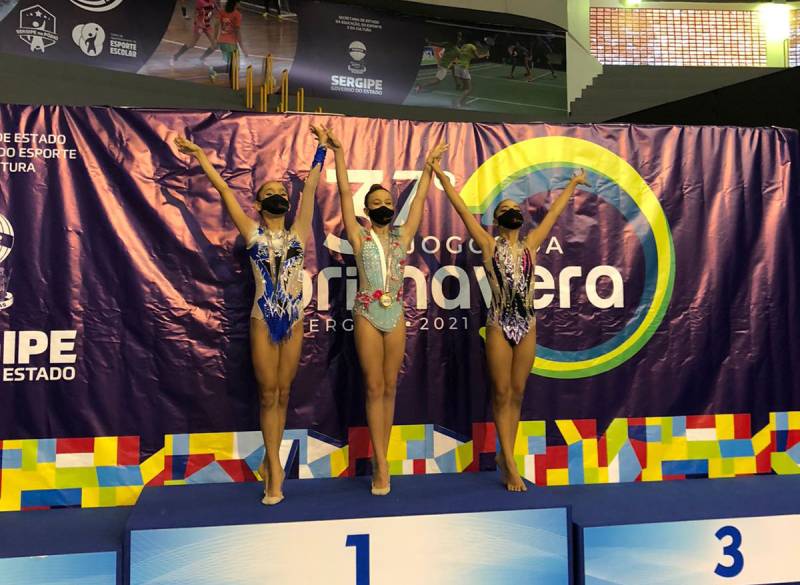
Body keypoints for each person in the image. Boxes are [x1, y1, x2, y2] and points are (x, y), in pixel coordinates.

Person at [173, 124, 329, 505]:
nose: (278, 197)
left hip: (293, 319)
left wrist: (322, 148)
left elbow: (310, 188)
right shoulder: (253, 233)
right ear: (258, 205)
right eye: (269, 194)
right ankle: (273, 466)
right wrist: (200, 156)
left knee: (284, 392)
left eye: (281, 194)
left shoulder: (298, 233)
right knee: (267, 393)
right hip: (262, 319)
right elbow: (225, 192)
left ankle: (272, 461)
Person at [431, 151, 588, 491]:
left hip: (527, 323)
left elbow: (554, 214)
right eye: (505, 210)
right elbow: (462, 210)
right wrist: (441, 176)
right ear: (497, 220)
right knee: (501, 392)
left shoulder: (531, 245)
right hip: (499, 323)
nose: (512, 212)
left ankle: (506, 455)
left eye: (515, 209)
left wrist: (573, 184)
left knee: (517, 393)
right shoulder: (489, 245)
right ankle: (511, 463)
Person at [324, 127, 446, 495]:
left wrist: (429, 167)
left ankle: (384, 458)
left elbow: (420, 199)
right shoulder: (359, 234)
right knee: (373, 386)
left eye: (388, 201)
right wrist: (338, 153)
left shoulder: (401, 235)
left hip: (395, 315)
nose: (383, 206)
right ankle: (379, 461)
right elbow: (344, 193)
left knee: (390, 386)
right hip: (366, 311)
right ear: (367, 210)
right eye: (376, 202)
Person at [171, 0, 218, 67]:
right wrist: (197, 24)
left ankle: (202, 58)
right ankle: (175, 57)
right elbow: (195, 13)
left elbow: (215, 12)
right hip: (199, 25)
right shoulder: (200, 1)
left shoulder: (213, 1)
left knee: (215, 44)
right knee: (191, 44)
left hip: (207, 25)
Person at [209, 0, 247, 82]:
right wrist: (243, 48)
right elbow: (237, 31)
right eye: (239, 3)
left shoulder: (222, 12)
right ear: (235, 3)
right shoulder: (237, 14)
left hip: (222, 42)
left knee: (233, 66)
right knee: (235, 67)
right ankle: (213, 69)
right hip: (231, 44)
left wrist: (215, 40)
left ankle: (231, 81)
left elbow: (216, 25)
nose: (240, 5)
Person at [453, 42, 490, 108]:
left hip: (456, 66)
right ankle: (457, 102)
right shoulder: (472, 46)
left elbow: (471, 56)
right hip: (463, 68)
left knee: (465, 87)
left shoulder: (464, 46)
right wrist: (485, 54)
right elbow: (478, 56)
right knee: (469, 88)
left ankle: (462, 102)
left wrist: (483, 55)